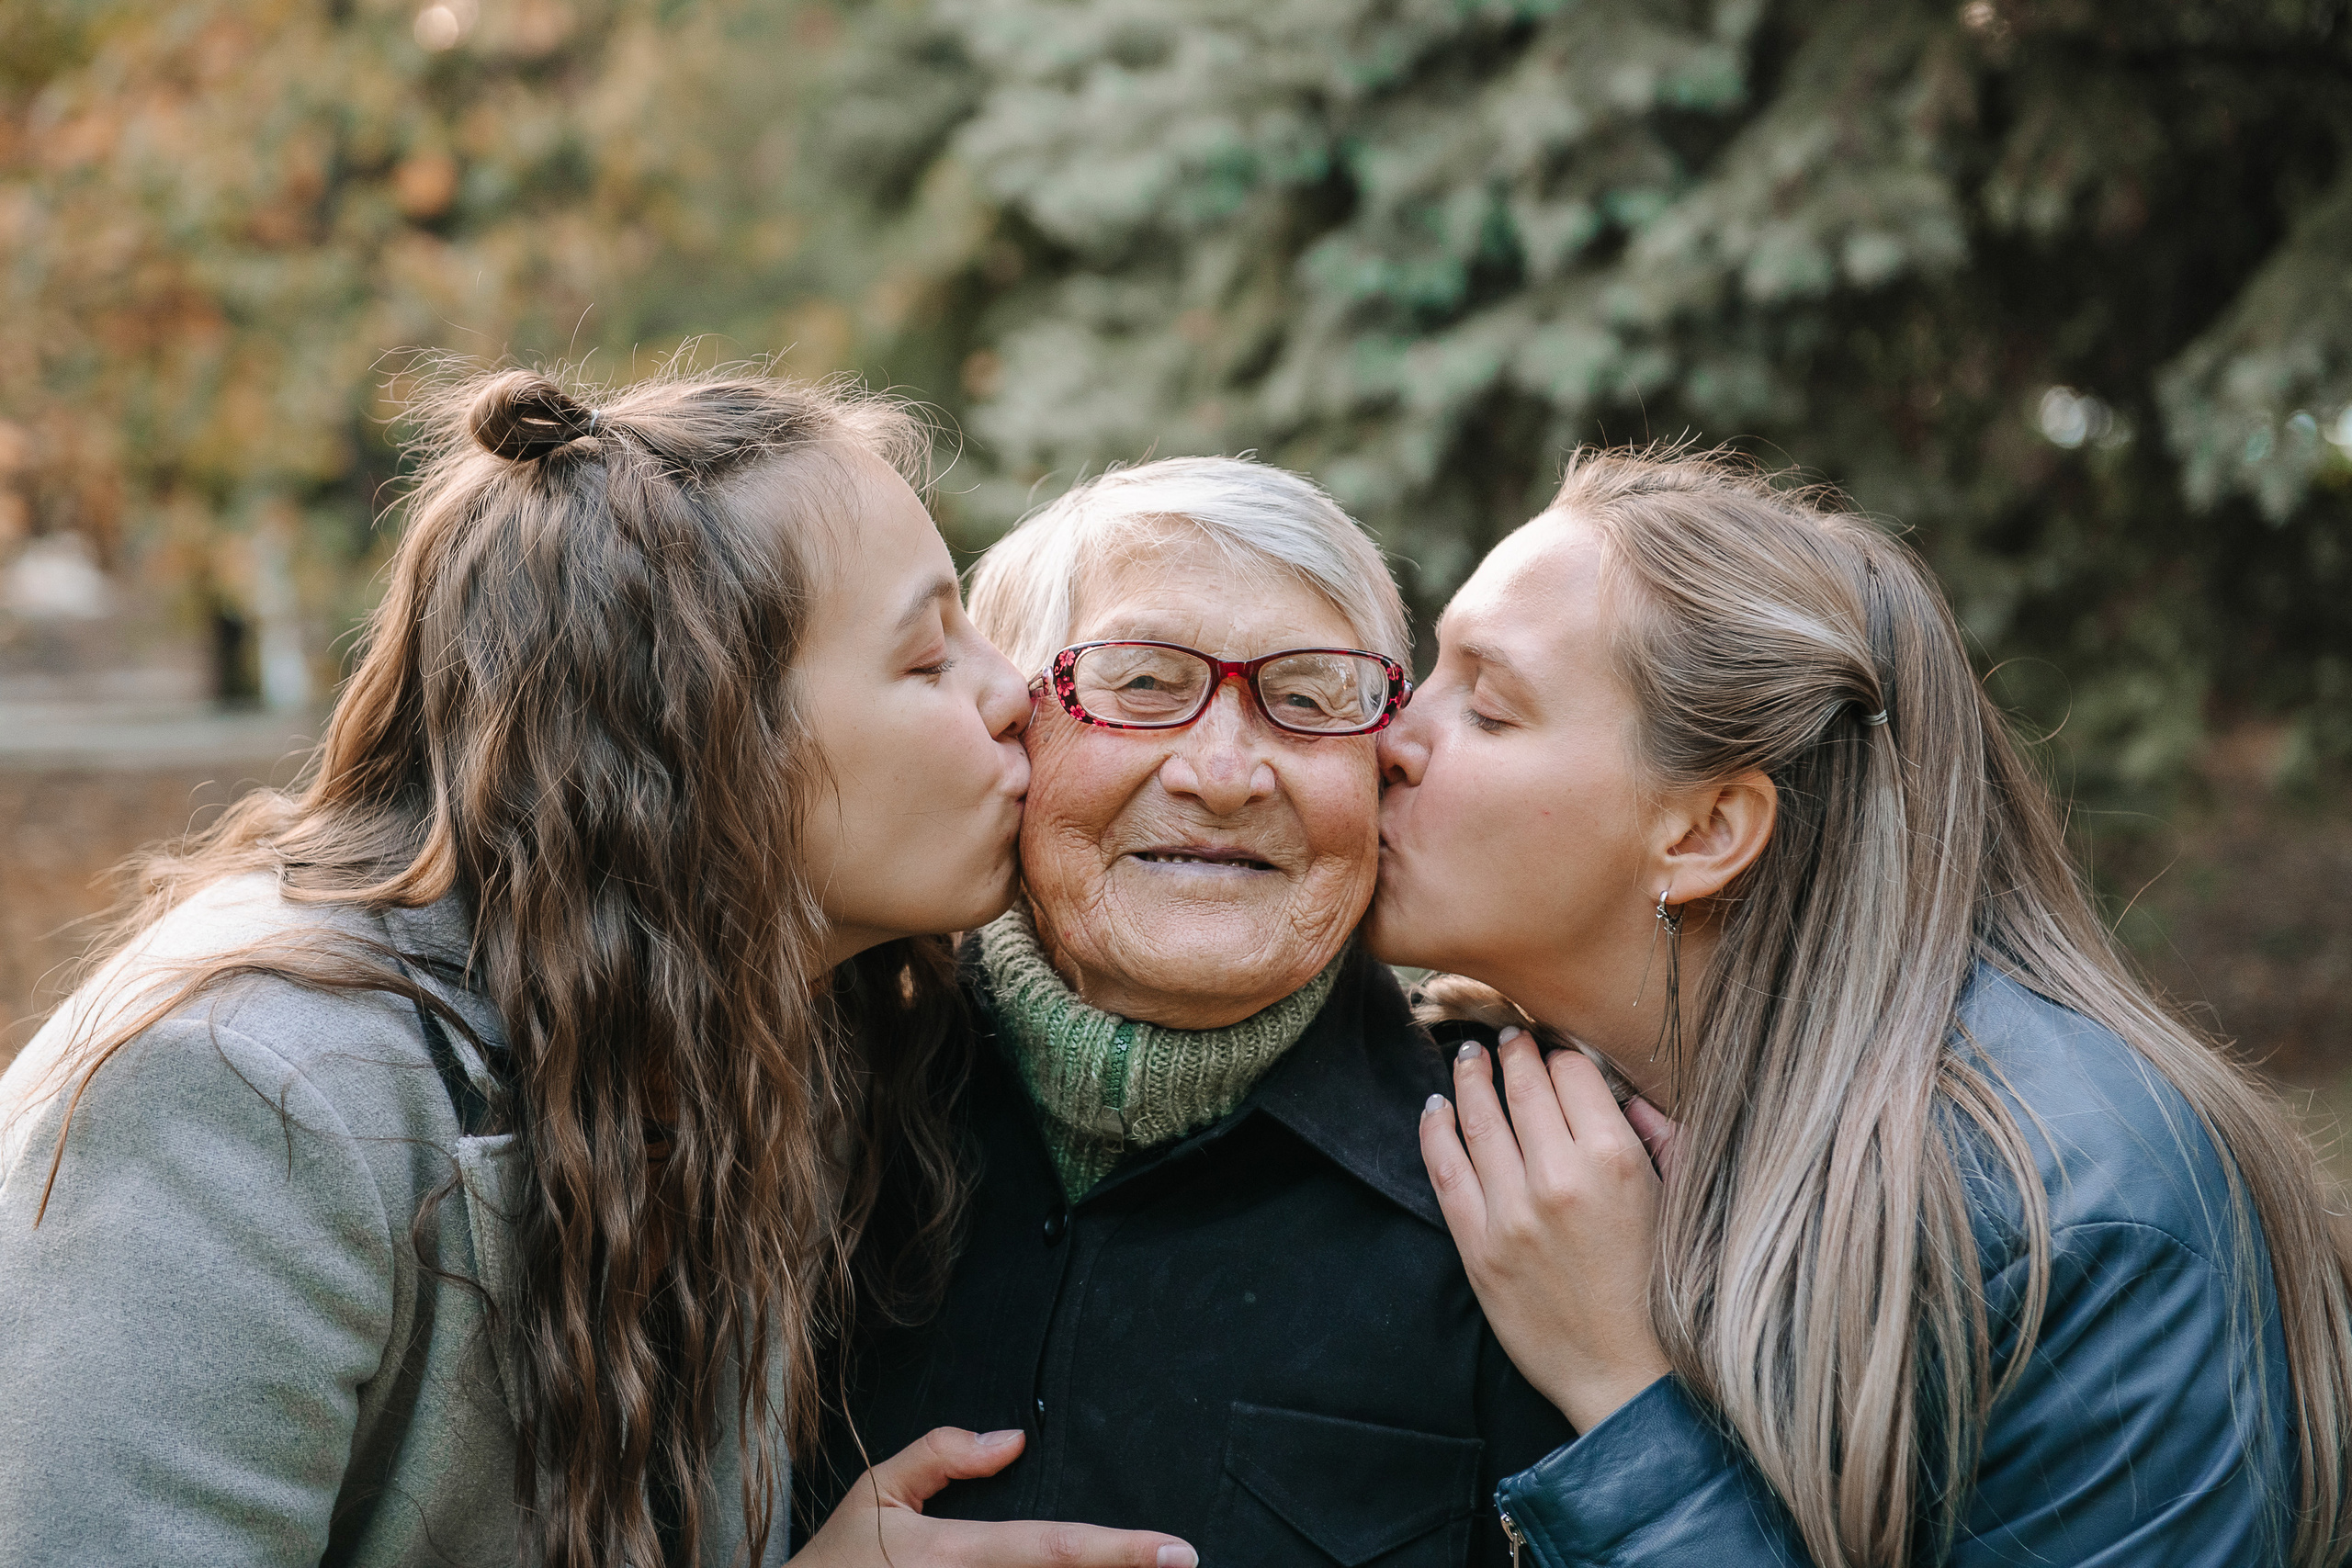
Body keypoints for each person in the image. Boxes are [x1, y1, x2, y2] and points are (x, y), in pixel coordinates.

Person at [0, 367, 1195, 1568]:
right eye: (931, 658)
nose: (1015, 695)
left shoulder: (768, 1022)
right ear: (702, 730)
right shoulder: (249, 1097)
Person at [1373, 446, 2352, 1567]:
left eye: (1487, 710)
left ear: (1702, 834)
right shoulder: (1517, 1095)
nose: (1390, 738)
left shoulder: (2081, 1214)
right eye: (1425, 672)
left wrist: (1624, 1400)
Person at [800, 457, 1575, 1564]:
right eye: (1145, 683)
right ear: (1010, 728)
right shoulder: (798, 1117)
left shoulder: (1527, 1193)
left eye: (1309, 699)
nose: (1224, 774)